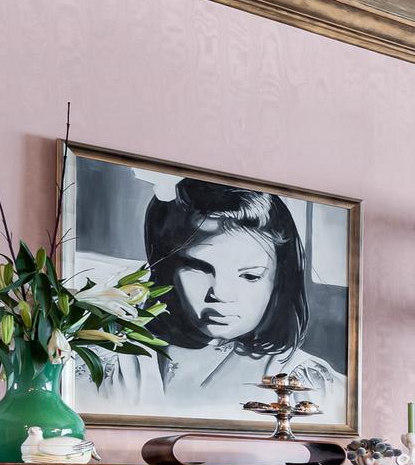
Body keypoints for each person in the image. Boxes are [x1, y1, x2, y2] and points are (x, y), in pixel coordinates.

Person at [93, 179, 344, 419]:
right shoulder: (118, 363)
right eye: (199, 269)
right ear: (167, 269)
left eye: (250, 275)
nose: (221, 294)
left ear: (279, 280)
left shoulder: (305, 381)